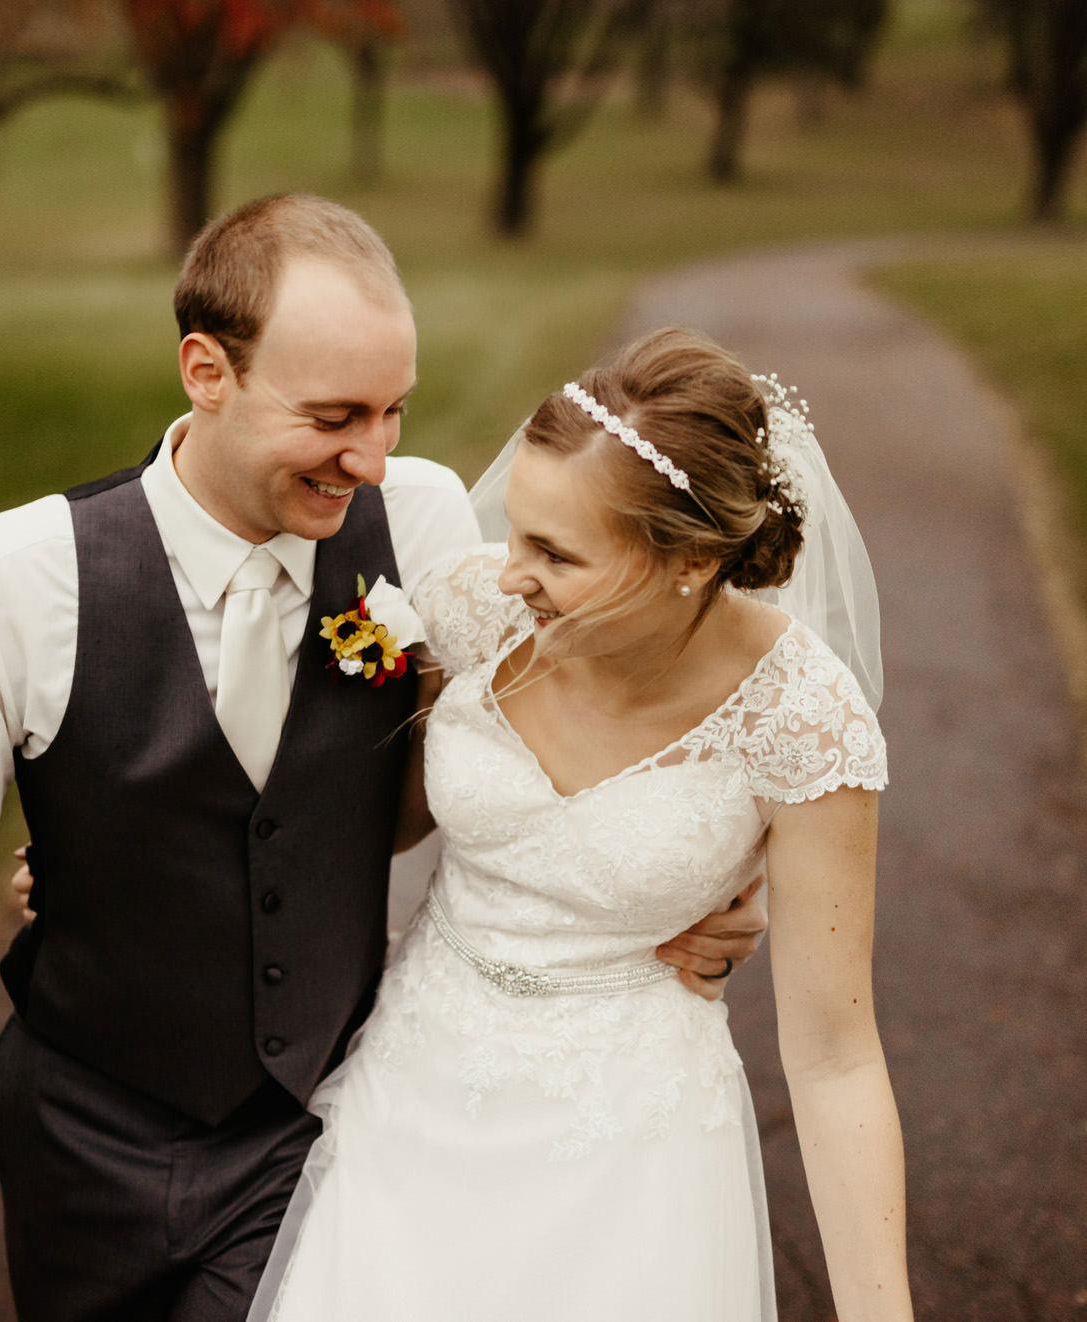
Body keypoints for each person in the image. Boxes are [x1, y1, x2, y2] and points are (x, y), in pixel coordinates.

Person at [0, 194, 768, 1322]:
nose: (375, 458)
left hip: (319, 1123)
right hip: (80, 1141)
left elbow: (610, 687)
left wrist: (711, 872)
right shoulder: (13, 581)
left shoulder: (423, 524)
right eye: (337, 414)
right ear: (206, 370)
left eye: (395, 411)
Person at [237, 328, 906, 1320]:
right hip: (413, 1095)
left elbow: (836, 1055)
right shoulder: (478, 612)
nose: (507, 572)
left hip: (631, 1139)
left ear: (689, 558)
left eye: (554, 551)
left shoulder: (801, 720)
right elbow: (349, 820)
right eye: (515, 529)